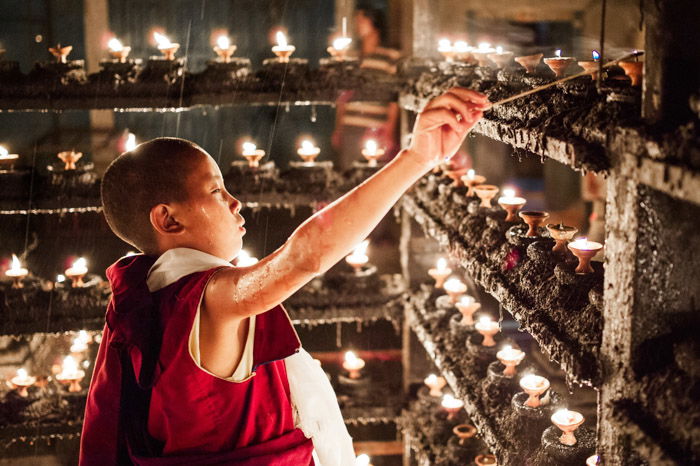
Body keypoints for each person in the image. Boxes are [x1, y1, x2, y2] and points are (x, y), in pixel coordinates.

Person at [79, 88, 488, 465]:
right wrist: (415, 158)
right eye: (217, 191)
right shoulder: (203, 301)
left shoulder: (145, 297)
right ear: (168, 218)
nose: (236, 202)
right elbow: (304, 257)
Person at [332, 6, 401, 169]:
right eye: (357, 20)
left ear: (375, 23)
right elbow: (342, 96)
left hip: (375, 128)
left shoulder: (390, 57)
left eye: (363, 20)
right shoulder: (351, 57)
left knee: (373, 176)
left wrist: (389, 130)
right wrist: (339, 127)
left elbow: (394, 96)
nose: (358, 24)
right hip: (350, 126)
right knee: (349, 175)